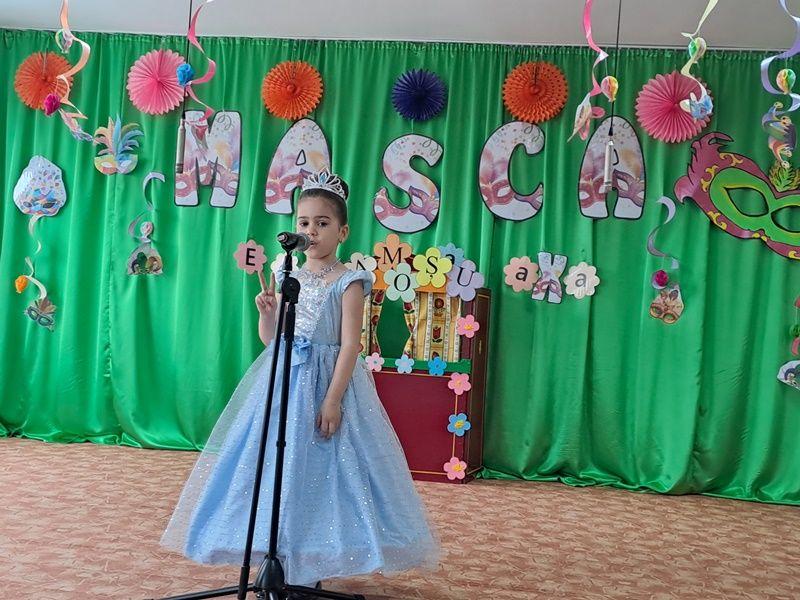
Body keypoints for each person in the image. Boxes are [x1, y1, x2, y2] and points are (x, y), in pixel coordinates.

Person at [160, 168, 439, 587]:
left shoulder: (349, 281)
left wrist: (332, 400)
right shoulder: (285, 271)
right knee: (276, 465)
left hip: (327, 383)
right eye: (304, 222)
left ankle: (313, 562)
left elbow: (350, 345)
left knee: (322, 470)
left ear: (342, 232)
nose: (311, 231)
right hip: (284, 382)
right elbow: (273, 340)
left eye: (322, 223)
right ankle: (276, 555)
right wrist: (267, 314)